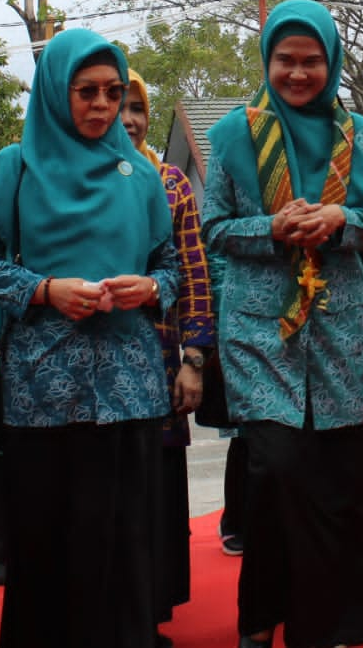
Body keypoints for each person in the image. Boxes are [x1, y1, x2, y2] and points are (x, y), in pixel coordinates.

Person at [0, 29, 177, 648]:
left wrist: (151, 289)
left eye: (113, 92)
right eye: (86, 92)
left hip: (129, 385)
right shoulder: (15, 169)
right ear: (57, 92)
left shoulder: (139, 174)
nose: (102, 106)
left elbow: (173, 264)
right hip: (43, 388)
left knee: (123, 537)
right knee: (48, 537)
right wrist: (43, 289)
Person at [202, 0, 363, 648]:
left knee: (344, 481)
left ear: (330, 62)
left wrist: (339, 220)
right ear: (267, 60)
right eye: (286, 59)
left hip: (343, 333)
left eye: (311, 60)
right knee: (276, 472)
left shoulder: (356, 135)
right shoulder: (231, 134)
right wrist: (272, 226)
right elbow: (214, 228)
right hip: (262, 333)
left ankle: (339, 623)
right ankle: (262, 614)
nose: (298, 72)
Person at [122, 69, 216, 647]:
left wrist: (194, 357)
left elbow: (194, 273)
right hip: (82, 375)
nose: (127, 117)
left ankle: (147, 612)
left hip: (156, 363)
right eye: (115, 104)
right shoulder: (60, 180)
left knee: (153, 495)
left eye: (136, 106)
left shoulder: (170, 181)